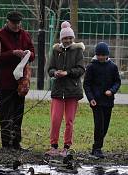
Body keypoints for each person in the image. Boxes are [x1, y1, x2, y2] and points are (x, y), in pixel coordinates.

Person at [0, 11, 35, 150]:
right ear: (8, 21)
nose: (17, 25)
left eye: (18, 23)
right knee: (5, 113)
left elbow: (33, 54)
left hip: (20, 82)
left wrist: (28, 54)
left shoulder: (25, 35)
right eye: (14, 23)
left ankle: (16, 143)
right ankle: (6, 144)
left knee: (18, 113)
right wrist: (13, 53)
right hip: (5, 81)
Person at [45, 21, 85, 157]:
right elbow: (49, 68)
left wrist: (67, 73)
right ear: (61, 39)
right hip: (57, 91)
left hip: (72, 92)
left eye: (70, 38)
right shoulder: (56, 51)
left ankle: (67, 146)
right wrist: (54, 73)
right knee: (55, 120)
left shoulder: (78, 51)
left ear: (72, 38)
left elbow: (81, 69)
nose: (67, 40)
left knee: (69, 121)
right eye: (65, 38)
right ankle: (54, 146)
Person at [83, 42, 121, 158]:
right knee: (99, 124)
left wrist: (112, 90)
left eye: (102, 55)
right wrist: (91, 98)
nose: (100, 57)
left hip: (108, 102)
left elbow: (117, 81)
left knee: (105, 126)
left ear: (107, 55)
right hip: (96, 102)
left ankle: (97, 146)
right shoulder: (91, 67)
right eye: (98, 55)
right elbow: (87, 84)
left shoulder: (112, 67)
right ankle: (97, 148)